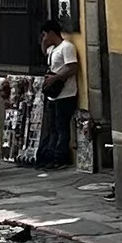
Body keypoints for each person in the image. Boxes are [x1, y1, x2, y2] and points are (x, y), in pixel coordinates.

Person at [39, 23, 82, 171]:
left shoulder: (67, 47)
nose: (44, 38)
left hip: (66, 94)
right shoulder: (53, 49)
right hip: (53, 96)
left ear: (51, 33)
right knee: (53, 128)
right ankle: (50, 155)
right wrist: (43, 43)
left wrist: (56, 78)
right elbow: (45, 55)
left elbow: (72, 67)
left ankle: (60, 157)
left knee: (62, 127)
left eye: (45, 35)